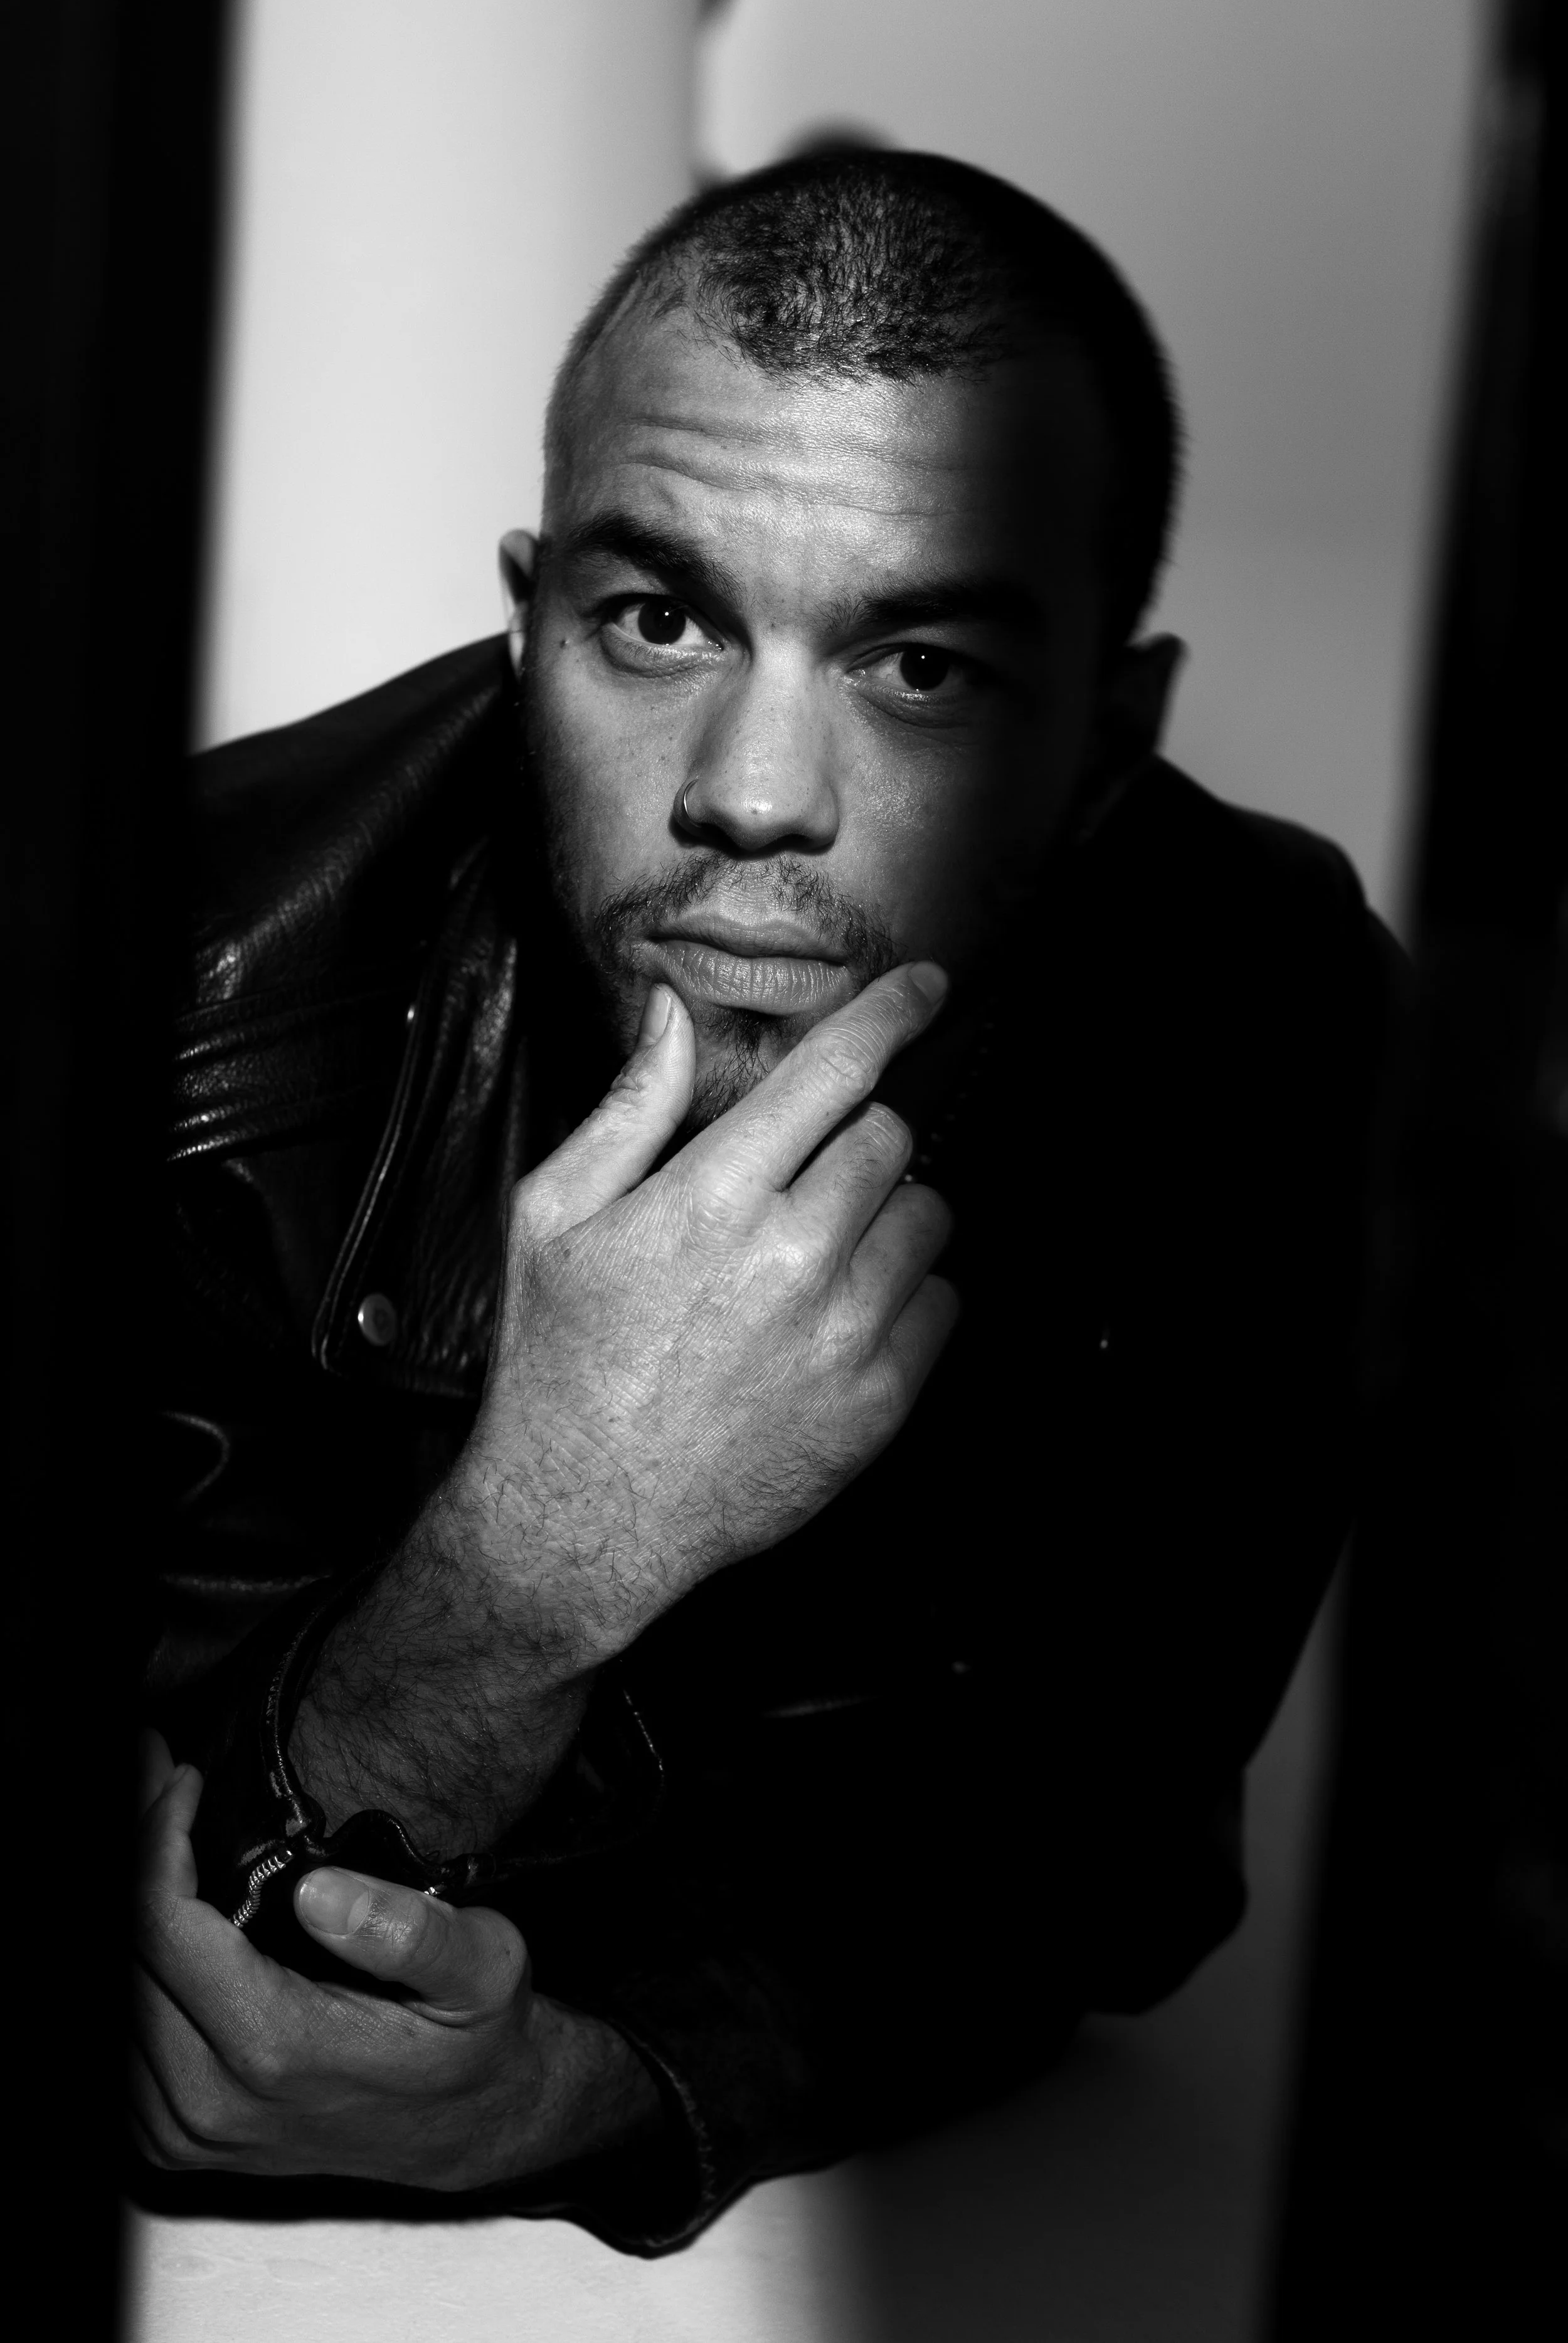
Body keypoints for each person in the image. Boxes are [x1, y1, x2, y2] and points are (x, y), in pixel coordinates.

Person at [134, 151, 1394, 2250]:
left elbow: (1099, 1884)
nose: (748, 792)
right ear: (528, 623)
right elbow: (199, 2009)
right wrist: (542, 1550)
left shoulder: (1261, 1008)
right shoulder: (181, 1004)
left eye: (920, 667)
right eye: (655, 620)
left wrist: (590, 2097)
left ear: (1107, 738)